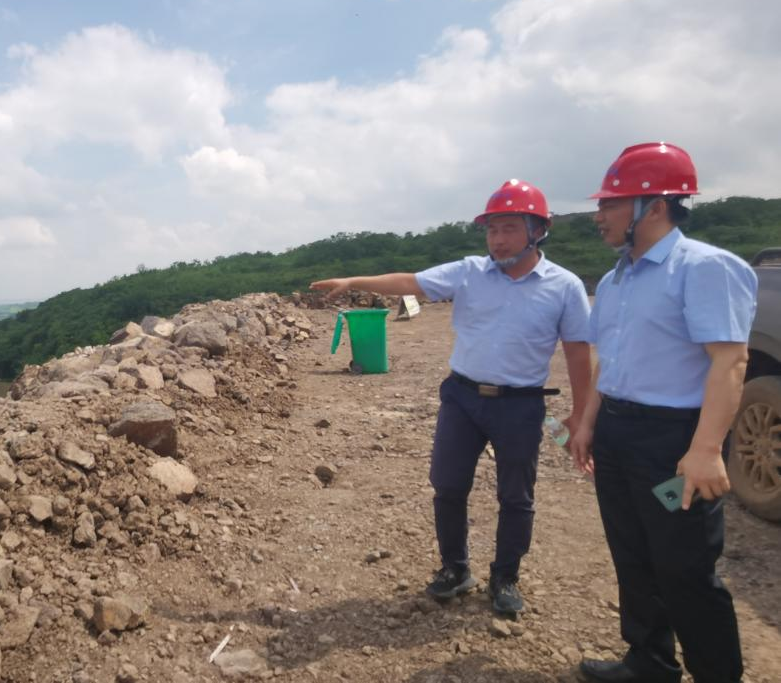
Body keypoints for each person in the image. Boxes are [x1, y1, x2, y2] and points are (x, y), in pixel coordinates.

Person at [310, 180, 592, 616]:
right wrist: (353, 281)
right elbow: (412, 282)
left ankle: (505, 576)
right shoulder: (469, 272)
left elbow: (577, 352)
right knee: (448, 485)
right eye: (492, 229)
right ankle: (455, 569)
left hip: (520, 405)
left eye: (509, 228)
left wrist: (581, 415)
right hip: (463, 398)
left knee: (516, 496)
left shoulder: (565, 286)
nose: (497, 239)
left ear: (538, 231)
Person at [569, 143, 755, 683]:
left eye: (611, 203)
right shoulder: (615, 280)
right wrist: (587, 423)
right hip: (618, 432)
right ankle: (649, 662)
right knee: (632, 555)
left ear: (654, 206)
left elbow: (730, 361)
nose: (599, 215)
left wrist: (705, 450)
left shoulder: (705, 268)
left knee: (684, 569)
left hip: (673, 443)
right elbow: (610, 361)